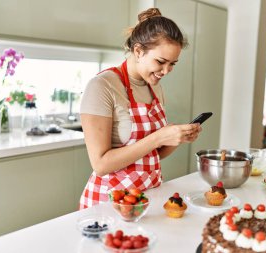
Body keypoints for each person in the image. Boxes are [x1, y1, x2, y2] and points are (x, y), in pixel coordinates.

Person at [79, 8, 202, 209]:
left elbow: (150, 155)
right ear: (138, 51)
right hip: (108, 204)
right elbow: (100, 165)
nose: (166, 71)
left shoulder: (155, 88)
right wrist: (159, 137)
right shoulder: (102, 86)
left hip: (147, 198)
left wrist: (177, 138)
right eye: (161, 62)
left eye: (173, 64)